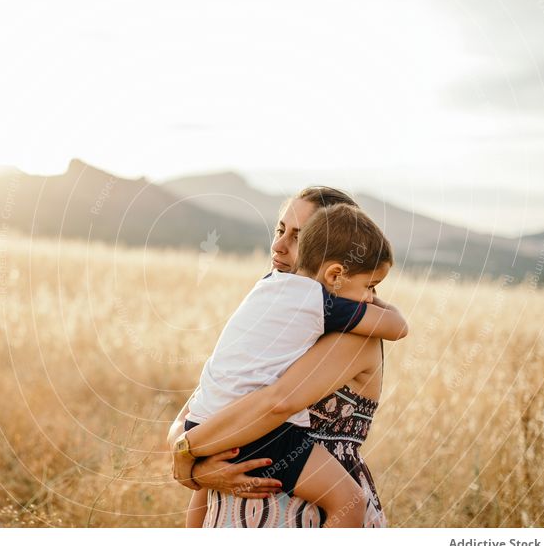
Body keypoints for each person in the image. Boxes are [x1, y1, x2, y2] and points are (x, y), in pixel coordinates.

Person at [167, 186, 400, 527]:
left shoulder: (351, 336)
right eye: (279, 230)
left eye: (298, 237)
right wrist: (197, 467)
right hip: (229, 514)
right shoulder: (277, 321)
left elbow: (273, 404)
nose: (278, 246)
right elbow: (195, 410)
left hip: (306, 518)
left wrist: (188, 451)